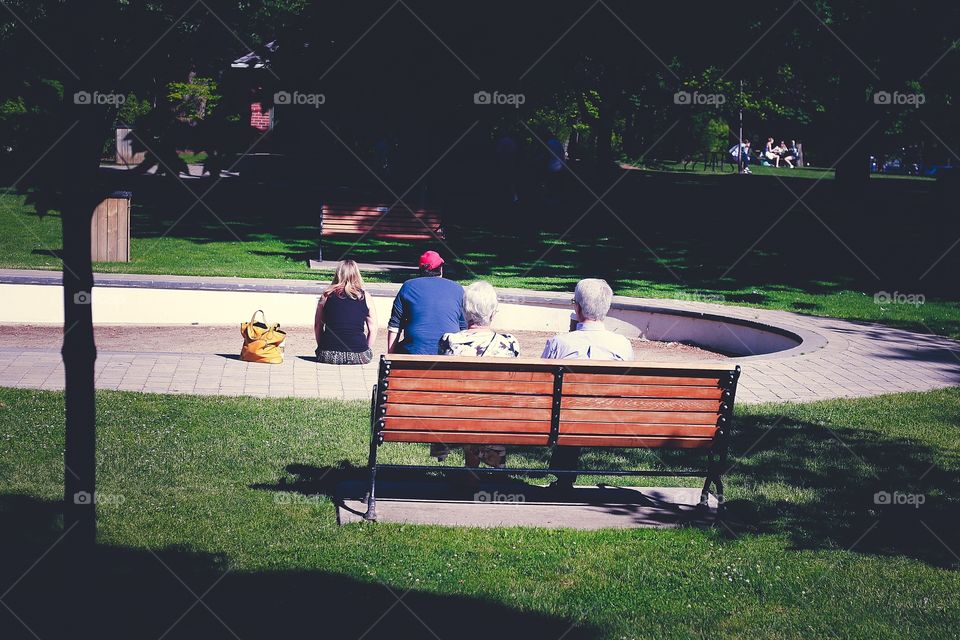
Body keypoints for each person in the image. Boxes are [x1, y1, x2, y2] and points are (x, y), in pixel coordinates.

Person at [542, 279, 633, 491]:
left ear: (578, 307)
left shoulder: (559, 342)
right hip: (611, 418)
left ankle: (563, 479)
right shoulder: (622, 344)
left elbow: (542, 387)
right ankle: (564, 479)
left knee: (570, 409)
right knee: (579, 409)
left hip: (563, 419)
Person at [431, 281, 521, 469]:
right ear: (493, 312)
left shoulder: (449, 341)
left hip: (456, 415)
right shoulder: (510, 343)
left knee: (464, 404)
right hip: (494, 416)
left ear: (465, 311)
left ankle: (470, 473)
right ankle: (471, 472)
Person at [387, 251, 466, 354]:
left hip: (415, 351)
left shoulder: (408, 287)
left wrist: (390, 355)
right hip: (450, 351)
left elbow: (395, 325)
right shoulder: (458, 289)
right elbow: (464, 327)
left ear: (420, 269)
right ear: (441, 269)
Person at [314, 260, 378, 365]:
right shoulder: (365, 296)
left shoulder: (326, 295)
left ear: (338, 274)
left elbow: (318, 325)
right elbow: (373, 329)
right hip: (358, 355)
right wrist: (365, 348)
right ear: (357, 274)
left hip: (327, 354)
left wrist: (322, 346)